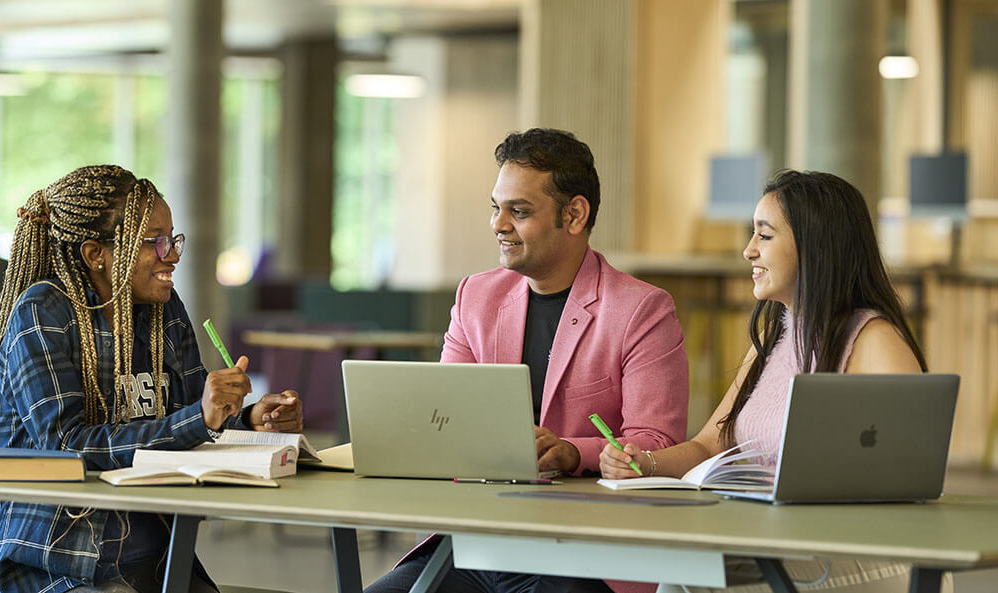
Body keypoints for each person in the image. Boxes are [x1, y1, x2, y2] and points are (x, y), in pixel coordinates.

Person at [366, 128, 689, 593]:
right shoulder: (476, 296)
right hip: (475, 541)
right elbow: (441, 419)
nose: (499, 224)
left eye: (518, 211)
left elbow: (656, 442)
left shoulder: (641, 310)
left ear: (574, 214)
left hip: (584, 549)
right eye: (496, 208)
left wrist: (575, 450)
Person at [0, 165, 304, 593]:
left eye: (174, 239)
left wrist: (249, 417)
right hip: (55, 562)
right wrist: (200, 417)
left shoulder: (164, 310)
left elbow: (189, 421)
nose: (172, 254)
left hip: (155, 558)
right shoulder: (43, 313)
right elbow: (65, 446)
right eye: (155, 241)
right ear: (95, 254)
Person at [600, 170, 937, 593]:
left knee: (693, 586)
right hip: (771, 542)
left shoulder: (874, 340)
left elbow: (913, 478)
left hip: (858, 553)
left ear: (815, 246)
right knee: (684, 577)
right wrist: (643, 463)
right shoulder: (775, 334)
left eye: (764, 236)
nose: (748, 251)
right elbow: (709, 445)